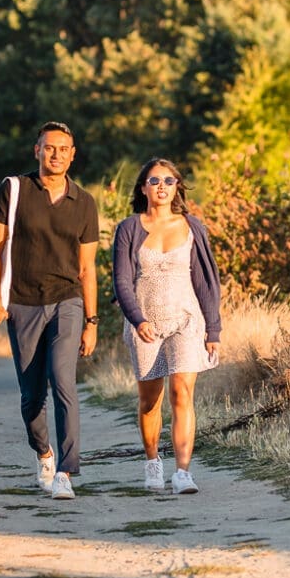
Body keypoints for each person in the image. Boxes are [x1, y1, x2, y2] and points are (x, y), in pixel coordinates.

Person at [0, 121, 100, 501]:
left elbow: (87, 269)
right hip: (21, 303)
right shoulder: (14, 190)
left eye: (63, 149)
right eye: (49, 148)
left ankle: (65, 472)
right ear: (37, 151)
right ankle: (44, 453)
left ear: (73, 154)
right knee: (32, 395)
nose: (56, 154)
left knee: (63, 380)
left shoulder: (84, 203)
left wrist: (92, 322)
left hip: (67, 300)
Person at [112, 158, 221, 494]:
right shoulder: (129, 227)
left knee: (182, 393)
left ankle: (183, 471)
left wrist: (213, 330)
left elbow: (207, 281)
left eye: (169, 181)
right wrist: (137, 319)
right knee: (150, 401)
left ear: (178, 187)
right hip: (146, 322)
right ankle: (153, 461)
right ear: (143, 187)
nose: (162, 186)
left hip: (187, 319)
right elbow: (122, 280)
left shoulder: (192, 226)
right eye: (154, 180)